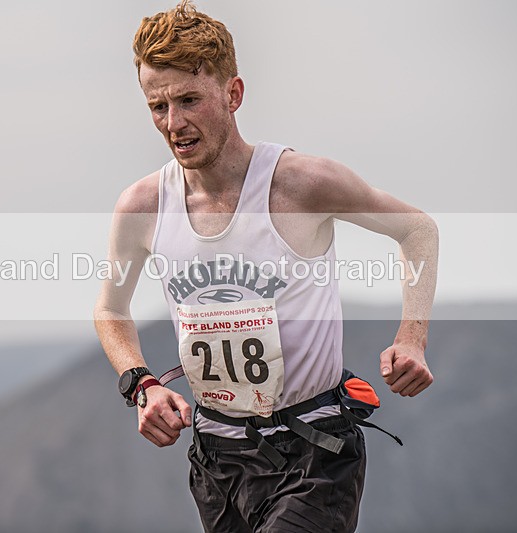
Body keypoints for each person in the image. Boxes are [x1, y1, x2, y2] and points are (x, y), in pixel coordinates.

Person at [93, 2, 438, 531]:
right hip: (217, 458)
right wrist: (141, 383)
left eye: (189, 100)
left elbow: (416, 230)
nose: (173, 123)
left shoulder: (302, 184)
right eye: (157, 106)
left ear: (232, 94)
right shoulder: (142, 206)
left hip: (315, 451)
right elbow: (110, 310)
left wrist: (411, 337)